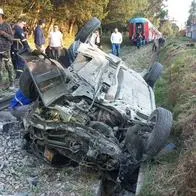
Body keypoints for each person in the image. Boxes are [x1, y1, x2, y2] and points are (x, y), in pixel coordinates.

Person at [0, 8, 15, 89]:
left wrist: (3, 33)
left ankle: (12, 83)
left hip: (6, 50)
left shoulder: (6, 25)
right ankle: (2, 85)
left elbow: (11, 38)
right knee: (0, 69)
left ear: (1, 15)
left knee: (9, 66)